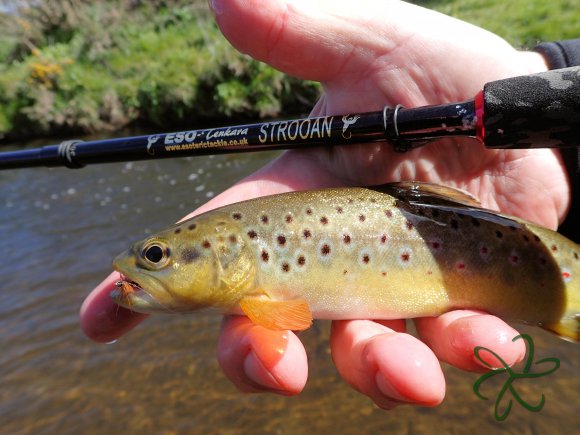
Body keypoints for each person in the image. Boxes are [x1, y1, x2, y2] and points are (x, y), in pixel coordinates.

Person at [80, 0, 577, 410]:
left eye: (155, 256)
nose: (134, 269)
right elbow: (289, 317)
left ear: (227, 250)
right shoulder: (249, 281)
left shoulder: (255, 286)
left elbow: (288, 316)